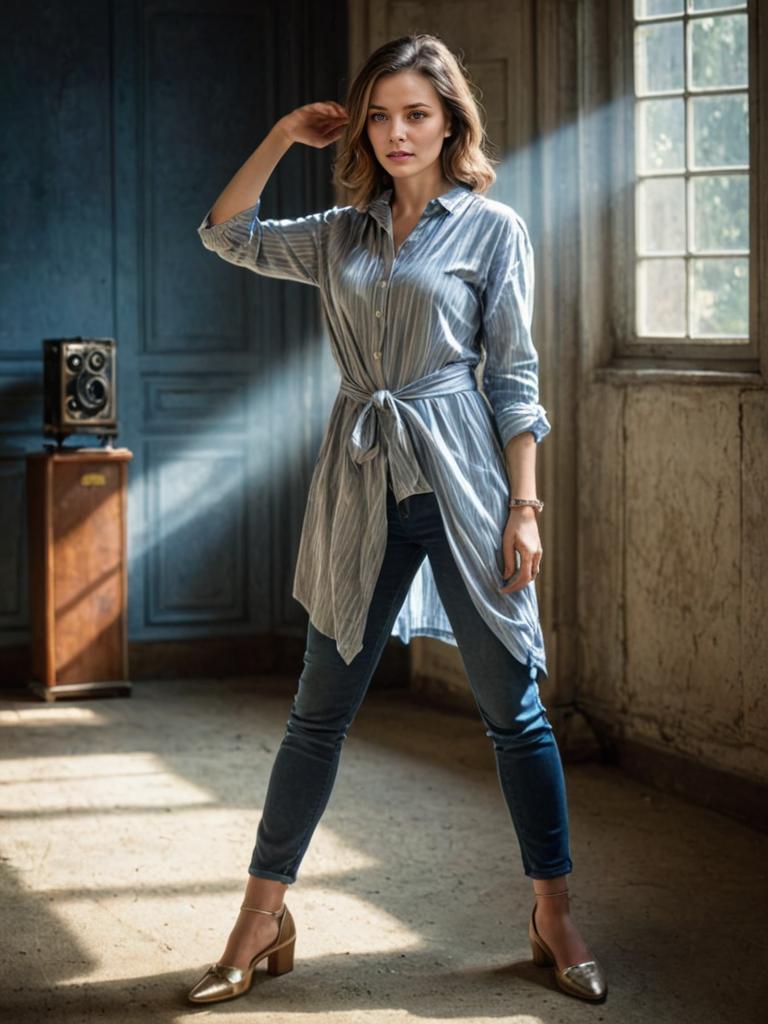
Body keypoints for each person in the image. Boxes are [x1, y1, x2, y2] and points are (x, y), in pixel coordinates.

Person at [187, 32, 607, 1006]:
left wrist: (527, 505)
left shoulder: (493, 229)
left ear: (451, 120)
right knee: (318, 711)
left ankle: (553, 912)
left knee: (515, 711)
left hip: (466, 480)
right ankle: (261, 915)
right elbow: (225, 230)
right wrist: (284, 135)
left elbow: (514, 379)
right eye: (379, 114)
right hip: (362, 479)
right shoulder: (341, 230)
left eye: (416, 112)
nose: (395, 132)